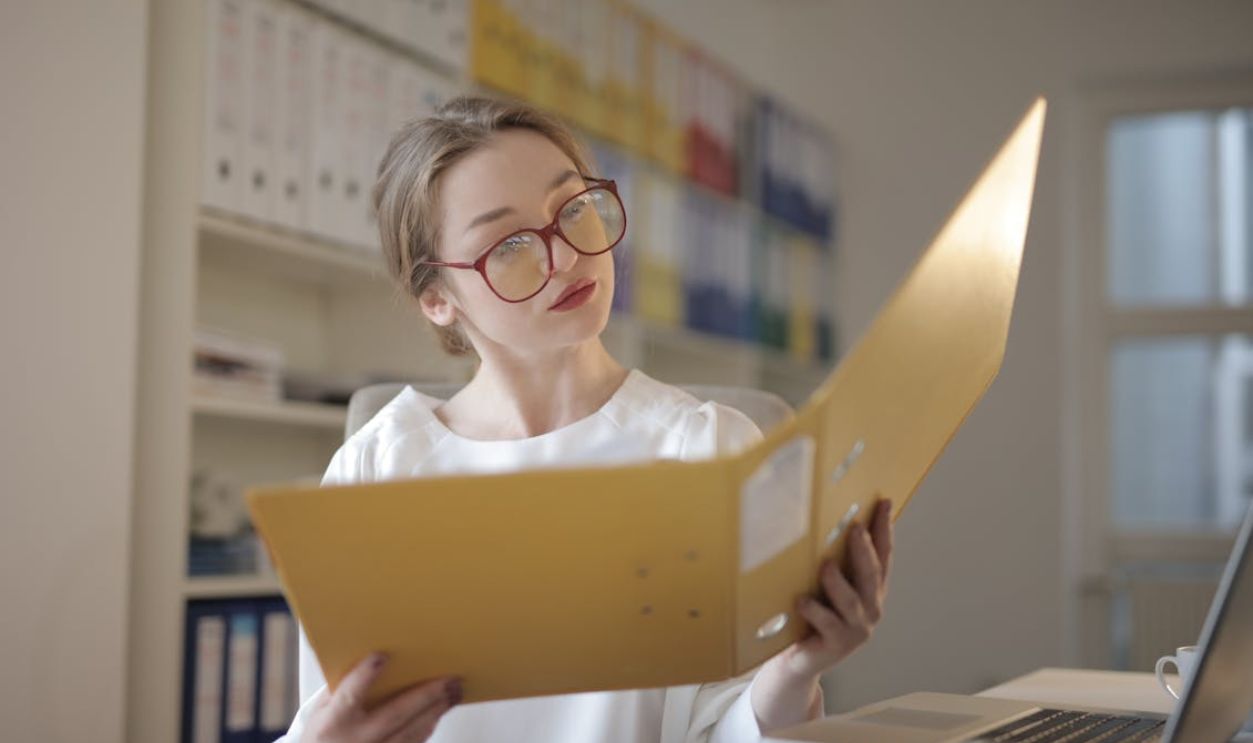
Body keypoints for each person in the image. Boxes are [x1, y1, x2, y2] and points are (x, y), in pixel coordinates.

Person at [279, 96, 894, 743]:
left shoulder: (709, 448)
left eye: (573, 209)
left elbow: (726, 729)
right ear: (436, 297)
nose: (565, 256)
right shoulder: (375, 467)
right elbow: (328, 721)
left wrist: (796, 671)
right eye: (509, 244)